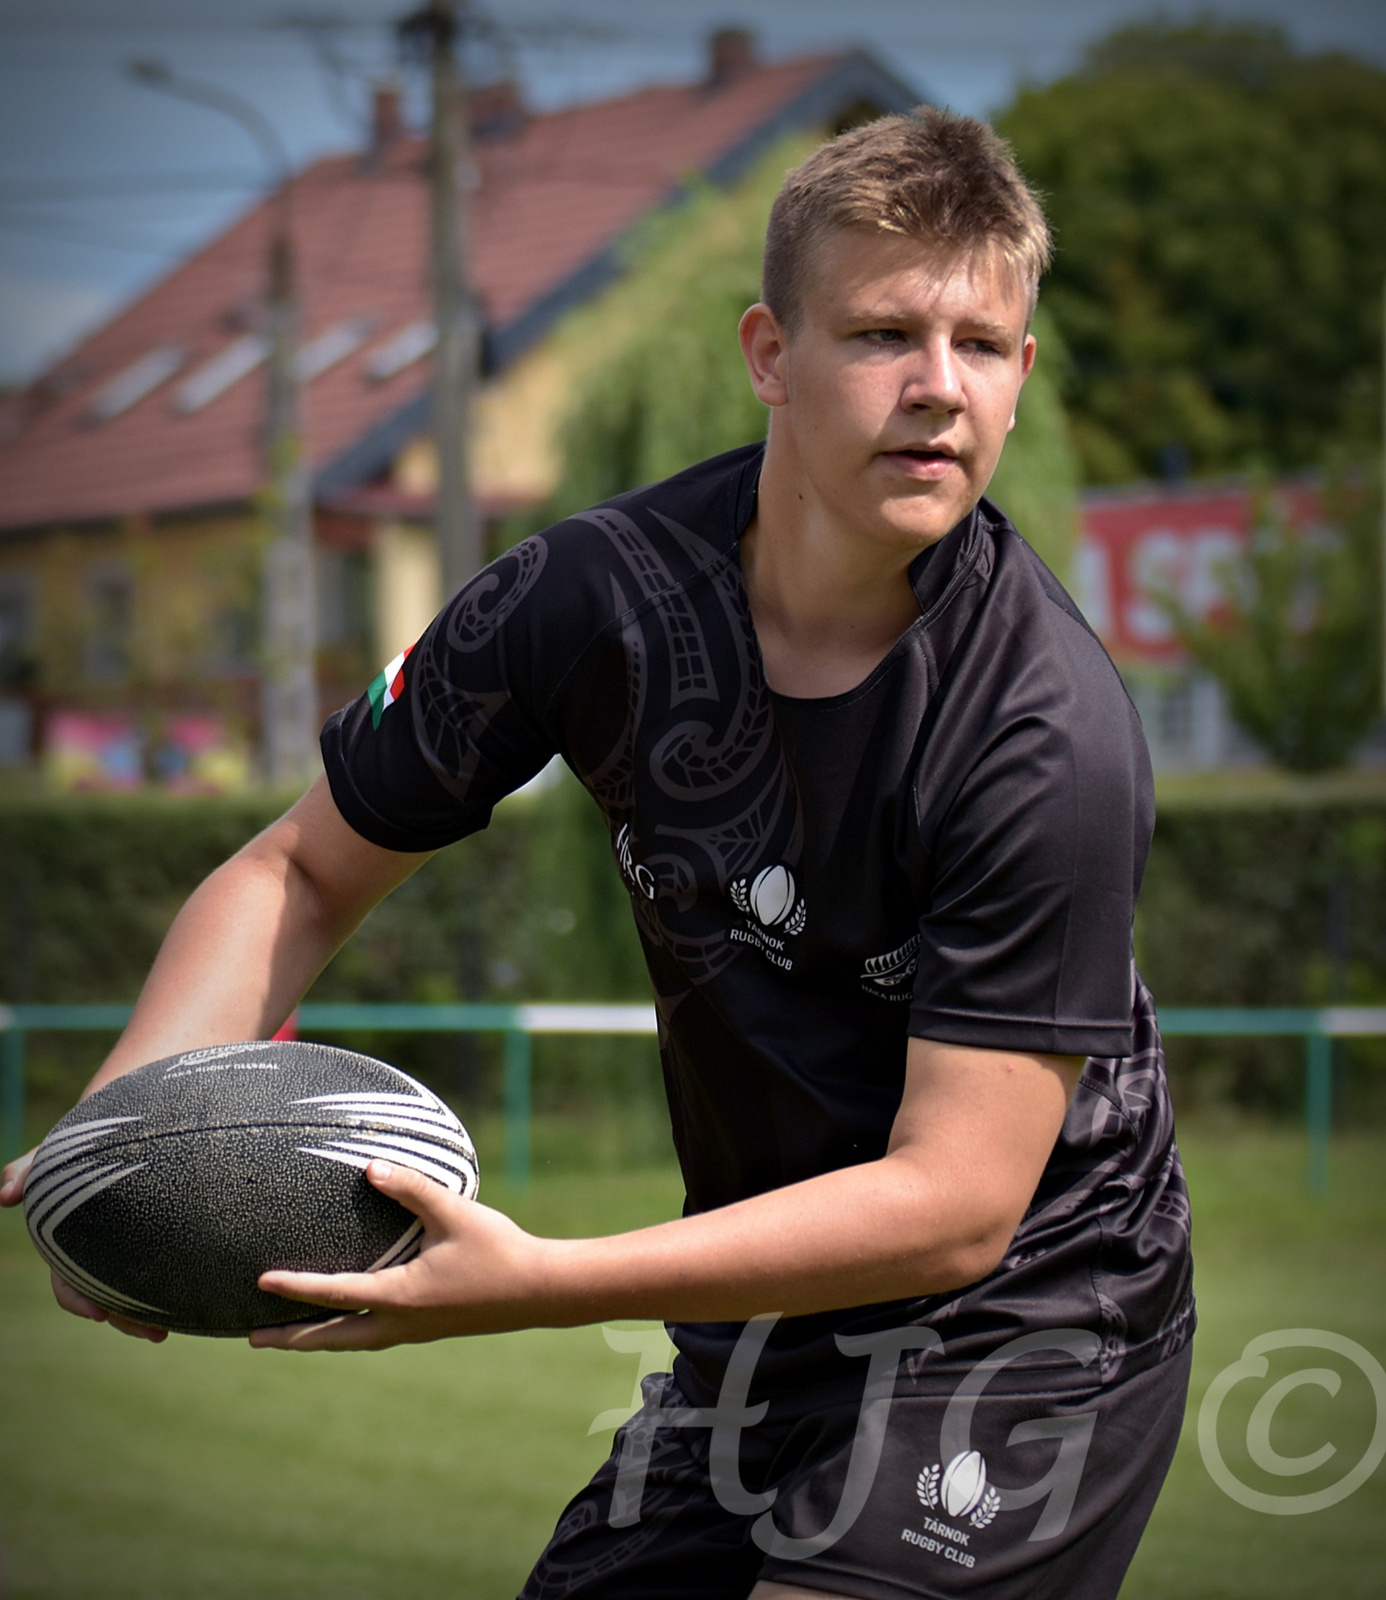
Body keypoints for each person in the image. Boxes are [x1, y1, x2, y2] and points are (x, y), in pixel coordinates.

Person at [1, 108, 1193, 1600]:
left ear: (1023, 372)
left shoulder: (1044, 733)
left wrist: (539, 1281)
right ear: (769, 353)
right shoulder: (585, 598)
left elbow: (953, 1204)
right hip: (770, 1311)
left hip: (1030, 1324)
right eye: (882, 333)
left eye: (984, 345)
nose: (937, 390)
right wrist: (120, 1145)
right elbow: (297, 873)